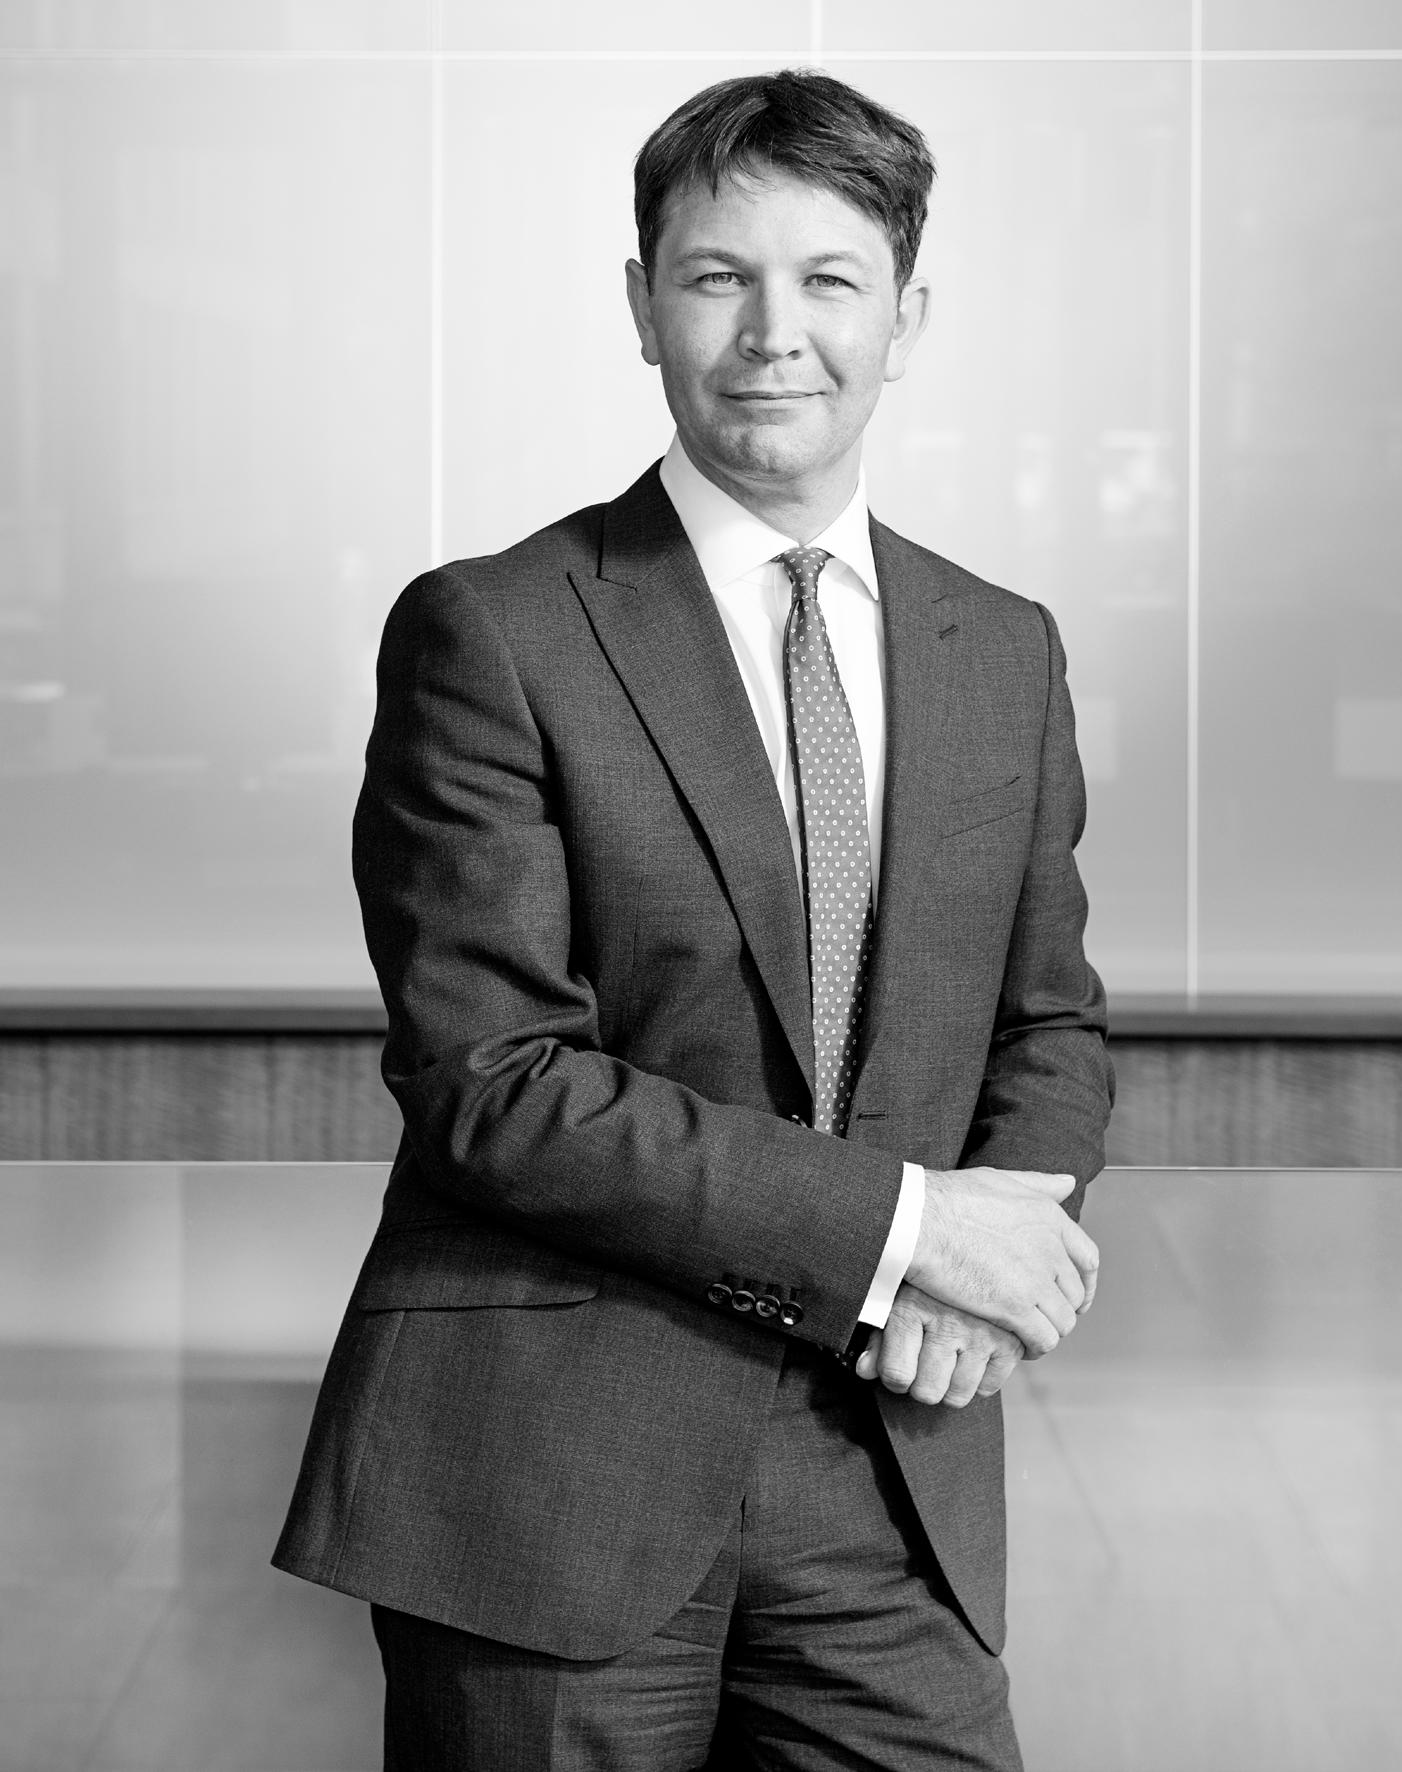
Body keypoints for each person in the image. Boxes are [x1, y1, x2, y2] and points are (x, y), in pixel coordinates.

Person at [274, 67, 1114, 1771]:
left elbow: (1049, 1020)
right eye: (718, 277)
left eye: (829, 281)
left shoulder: (1004, 647)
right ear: (643, 305)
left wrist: (981, 1269)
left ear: (907, 317)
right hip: (552, 1464)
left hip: (888, 1457)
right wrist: (910, 1230)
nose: (772, 334)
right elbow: (495, 1083)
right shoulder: (494, 630)